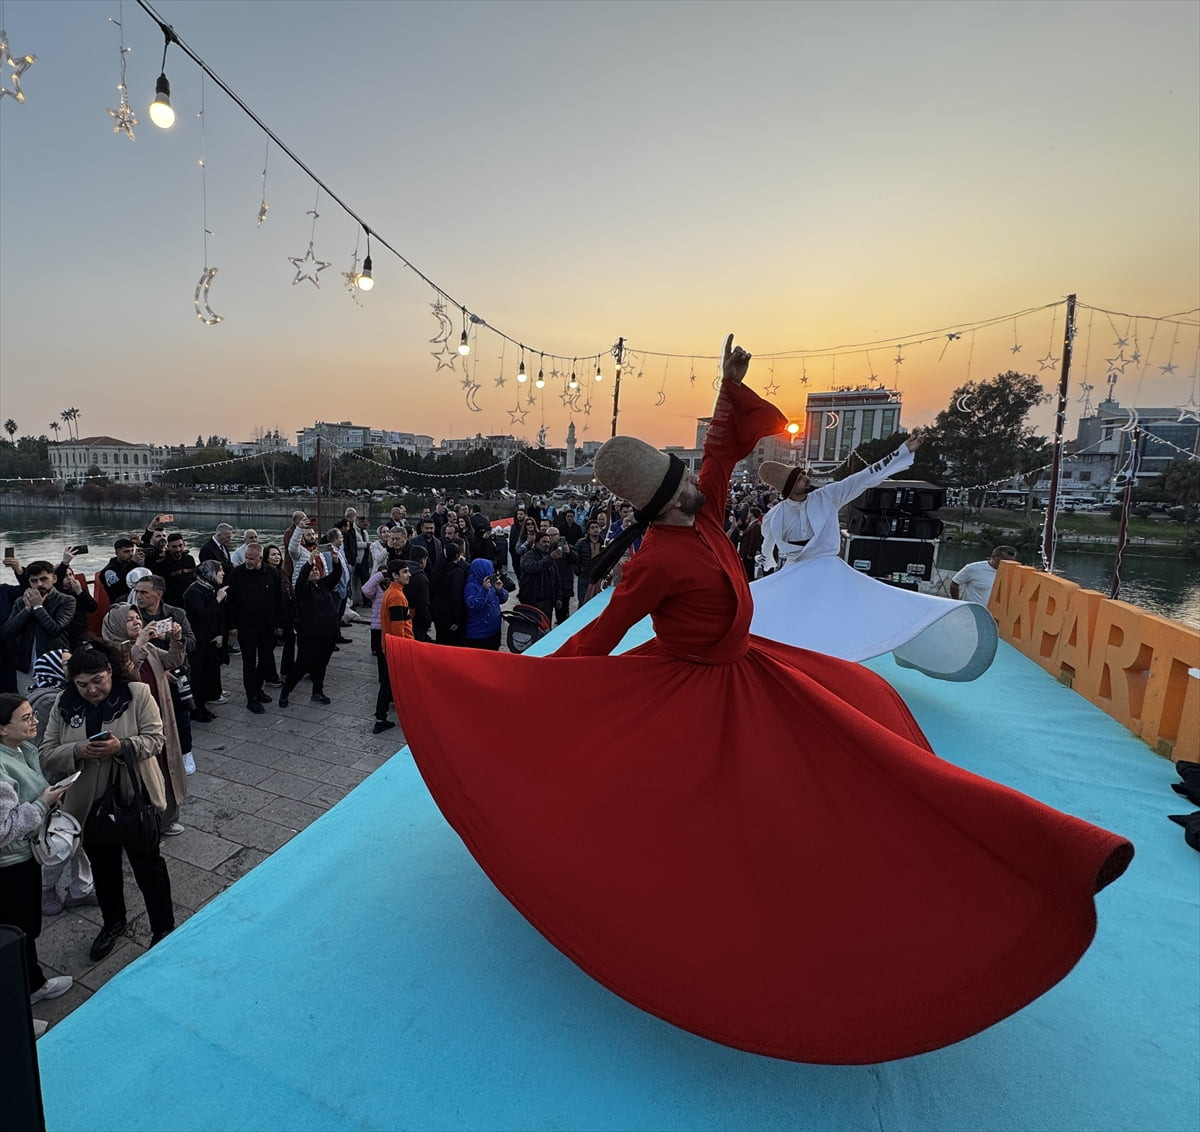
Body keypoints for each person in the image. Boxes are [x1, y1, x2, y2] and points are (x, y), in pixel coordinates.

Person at [384, 333, 1131, 1065]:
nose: (692, 493)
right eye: (675, 495)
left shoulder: (700, 506)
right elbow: (600, 636)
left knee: (861, 725)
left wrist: (724, 389)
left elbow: (716, 458)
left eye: (683, 482)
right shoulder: (655, 563)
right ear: (650, 512)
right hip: (693, 692)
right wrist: (533, 690)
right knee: (715, 817)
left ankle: (1031, 857)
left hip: (749, 672)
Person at [748, 440, 999, 682]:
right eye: (801, 477)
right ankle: (788, 661)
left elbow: (864, 477)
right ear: (791, 486)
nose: (807, 479)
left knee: (845, 613)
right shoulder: (776, 515)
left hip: (826, 569)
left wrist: (902, 451)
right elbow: (768, 543)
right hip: (795, 572)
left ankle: (834, 661)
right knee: (782, 612)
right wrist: (769, 566)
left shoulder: (827, 496)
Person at [40, 640, 175, 962]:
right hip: (86, 805)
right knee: (105, 868)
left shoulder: (137, 694)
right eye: (82, 684)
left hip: (134, 797)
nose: (91, 690)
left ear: (110, 672)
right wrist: (77, 751)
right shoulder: (64, 703)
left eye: (98, 681)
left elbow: (156, 740)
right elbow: (46, 755)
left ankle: (164, 929)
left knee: (148, 866)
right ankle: (113, 922)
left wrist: (121, 747)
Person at [0, 692, 75, 1036]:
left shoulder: (22, 749)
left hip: (24, 857)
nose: (35, 722)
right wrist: (43, 804)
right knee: (13, 937)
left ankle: (35, 984)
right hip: (8, 866)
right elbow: (4, 829)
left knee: (26, 931)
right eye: (26, 718)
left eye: (33, 715)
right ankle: (15, 1016)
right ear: (2, 729)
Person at [100, 604, 189, 836]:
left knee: (166, 765)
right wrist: (138, 644)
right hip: (135, 724)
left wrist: (177, 640)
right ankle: (146, 825)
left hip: (159, 715)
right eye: (129, 620)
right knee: (144, 773)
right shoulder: (109, 653)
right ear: (117, 625)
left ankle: (167, 818)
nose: (137, 622)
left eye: (137, 618)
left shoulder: (148, 647)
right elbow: (127, 673)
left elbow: (172, 661)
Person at [279, 550, 342, 709]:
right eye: (312, 569)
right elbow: (300, 580)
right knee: (301, 666)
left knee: (322, 664)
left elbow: (336, 575)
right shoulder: (303, 590)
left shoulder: (323, 585)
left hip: (328, 633)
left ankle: (317, 691)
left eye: (316, 569)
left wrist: (335, 561)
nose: (315, 571)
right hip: (310, 635)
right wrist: (309, 562)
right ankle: (285, 692)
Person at [2, 560, 75, 675]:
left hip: (54, 662)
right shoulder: (20, 602)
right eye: (34, 581)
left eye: (44, 579)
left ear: (54, 579)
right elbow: (8, 631)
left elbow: (55, 629)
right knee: (26, 692)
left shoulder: (66, 601)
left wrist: (38, 607)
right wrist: (27, 610)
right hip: (25, 663)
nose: (39, 584)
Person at [182, 560, 228, 720]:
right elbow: (203, 614)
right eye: (218, 571)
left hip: (211, 638)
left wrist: (221, 633)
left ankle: (207, 700)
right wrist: (218, 599)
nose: (222, 574)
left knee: (209, 671)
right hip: (199, 640)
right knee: (198, 676)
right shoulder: (194, 592)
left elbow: (220, 614)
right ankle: (197, 710)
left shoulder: (211, 588)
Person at [430, 539, 469, 646]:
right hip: (451, 616)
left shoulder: (438, 569)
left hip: (438, 614)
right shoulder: (458, 572)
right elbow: (456, 596)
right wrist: (457, 620)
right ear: (458, 555)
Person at [463, 559, 508, 650]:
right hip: (480, 634)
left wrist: (500, 590)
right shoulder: (471, 586)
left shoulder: (490, 582)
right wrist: (484, 590)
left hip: (494, 631)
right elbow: (474, 606)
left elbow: (502, 599)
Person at [951, 545, 1019, 604]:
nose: (1009, 564)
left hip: (995, 614)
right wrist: (957, 602)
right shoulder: (974, 568)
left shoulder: (1011, 573)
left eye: (1012, 561)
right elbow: (955, 583)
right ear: (995, 557)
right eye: (1006, 561)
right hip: (973, 611)